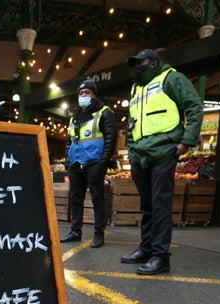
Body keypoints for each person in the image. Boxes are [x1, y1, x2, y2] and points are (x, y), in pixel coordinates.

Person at [121, 49, 203, 275]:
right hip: (139, 154)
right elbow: (132, 122)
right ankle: (146, 249)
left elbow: (194, 106)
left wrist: (186, 141)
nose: (137, 66)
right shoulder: (137, 88)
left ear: (155, 63)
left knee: (160, 205)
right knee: (147, 205)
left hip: (164, 151)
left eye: (141, 62)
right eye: (135, 63)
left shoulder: (171, 78)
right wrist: (130, 149)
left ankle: (160, 256)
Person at [60, 79, 116, 248]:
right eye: (81, 93)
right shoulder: (74, 117)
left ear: (94, 95)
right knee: (76, 199)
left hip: (94, 163)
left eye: (87, 93)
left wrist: (103, 162)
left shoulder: (104, 112)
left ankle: (99, 233)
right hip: (76, 164)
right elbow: (69, 140)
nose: (83, 95)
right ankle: (76, 231)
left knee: (97, 198)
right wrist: (68, 162)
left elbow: (111, 139)